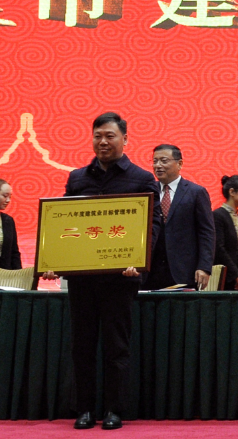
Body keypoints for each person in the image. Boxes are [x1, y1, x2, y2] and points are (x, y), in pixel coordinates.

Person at [44, 112, 162, 431]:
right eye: (98, 136)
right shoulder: (78, 178)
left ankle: (114, 410)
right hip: (82, 278)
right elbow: (62, 223)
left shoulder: (141, 179)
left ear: (125, 139)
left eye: (110, 136)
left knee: (116, 347)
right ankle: (84, 409)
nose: (103, 141)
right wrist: (54, 259)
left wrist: (139, 259)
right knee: (82, 346)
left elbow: (153, 225)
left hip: (120, 277)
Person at [145, 144, 216, 290]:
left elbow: (206, 232)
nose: (158, 165)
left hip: (184, 270)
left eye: (164, 161)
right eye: (155, 161)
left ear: (180, 163)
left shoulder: (196, 192)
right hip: (150, 271)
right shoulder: (147, 192)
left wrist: (204, 267)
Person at [213, 175, 238, 291]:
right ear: (232, 192)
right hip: (225, 277)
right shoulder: (217, 216)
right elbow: (219, 249)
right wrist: (236, 276)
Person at [0, 179, 22, 270]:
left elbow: (14, 253)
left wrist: (19, 275)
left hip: (5, 274)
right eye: (5, 196)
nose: (8, 200)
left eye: (10, 197)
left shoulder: (8, 221)